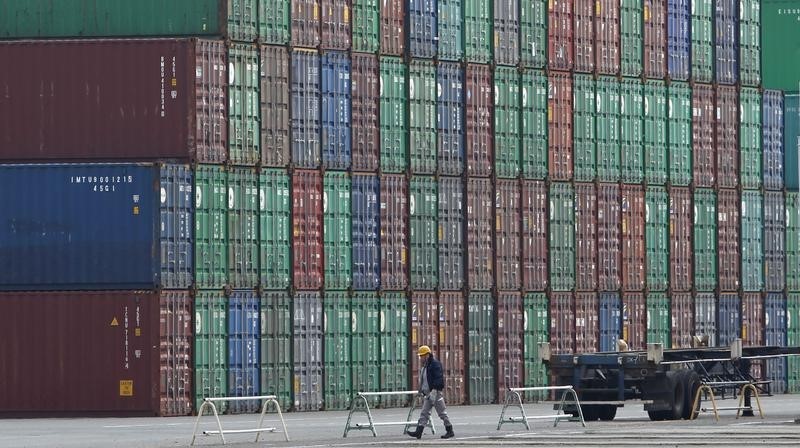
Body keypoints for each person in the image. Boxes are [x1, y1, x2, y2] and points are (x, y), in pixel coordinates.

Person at [407, 345, 454, 439]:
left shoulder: (435, 364)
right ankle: (418, 432)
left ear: (427, 355)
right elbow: (424, 380)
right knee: (424, 413)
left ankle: (450, 430)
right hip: (428, 393)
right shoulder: (426, 366)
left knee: (442, 413)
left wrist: (435, 390)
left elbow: (438, 378)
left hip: (435, 393)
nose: (420, 358)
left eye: (422, 356)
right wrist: (421, 391)